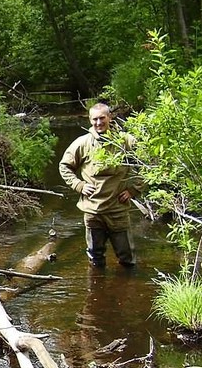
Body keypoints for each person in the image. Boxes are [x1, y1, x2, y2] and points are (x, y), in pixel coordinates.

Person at [59, 102, 144, 267]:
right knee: (95, 259)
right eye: (94, 119)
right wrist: (79, 185)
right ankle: (97, 291)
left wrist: (134, 190)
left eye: (102, 118)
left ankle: (126, 289)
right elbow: (64, 166)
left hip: (118, 209)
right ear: (90, 120)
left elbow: (147, 164)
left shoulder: (126, 141)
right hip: (92, 211)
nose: (98, 123)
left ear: (110, 117)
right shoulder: (82, 143)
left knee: (127, 259)